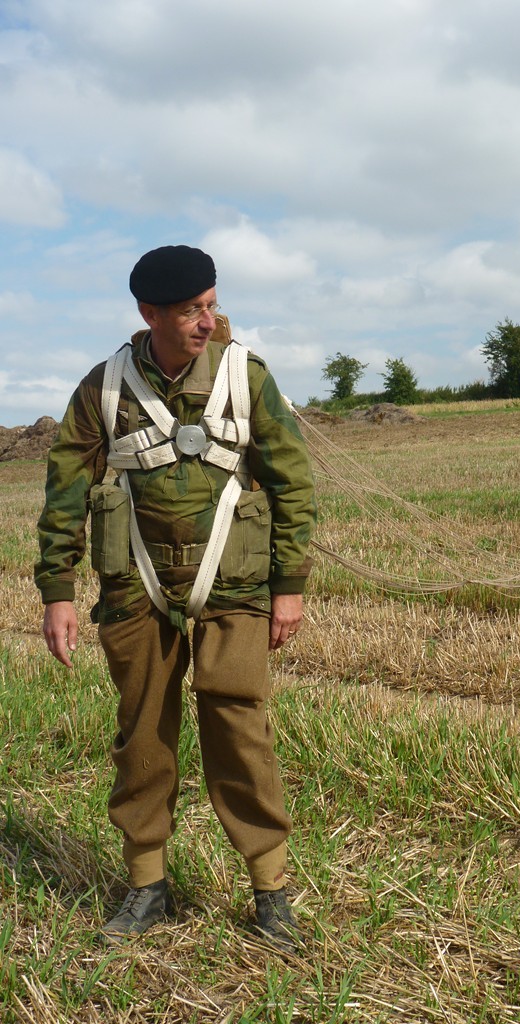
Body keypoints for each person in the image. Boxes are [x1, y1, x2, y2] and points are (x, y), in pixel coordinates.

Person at [35, 245, 316, 953]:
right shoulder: (103, 389)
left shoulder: (246, 378)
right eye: (192, 309)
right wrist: (57, 592)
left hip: (237, 583)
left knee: (238, 727)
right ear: (149, 313)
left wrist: (290, 587)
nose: (206, 320)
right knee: (143, 735)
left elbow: (291, 481)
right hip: (134, 586)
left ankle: (271, 891)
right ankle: (146, 886)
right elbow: (65, 491)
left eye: (212, 303)